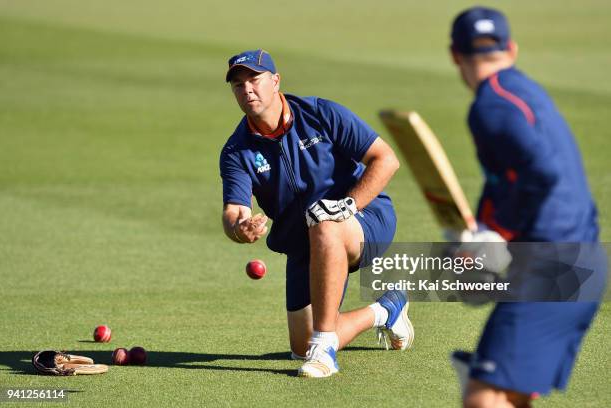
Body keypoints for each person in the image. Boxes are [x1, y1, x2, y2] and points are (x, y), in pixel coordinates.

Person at [447, 7, 607, 407]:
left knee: (483, 396)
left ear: (455, 55)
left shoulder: (490, 105)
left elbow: (543, 173)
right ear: (512, 49)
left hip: (552, 267)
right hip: (578, 265)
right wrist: (482, 234)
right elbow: (508, 178)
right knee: (508, 396)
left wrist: (496, 233)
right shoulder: (523, 90)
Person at [219, 49, 414, 378]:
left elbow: (386, 159)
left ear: (275, 81)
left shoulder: (320, 113)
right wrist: (240, 228)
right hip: (303, 243)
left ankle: (325, 350)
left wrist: (349, 205)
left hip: (366, 219)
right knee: (300, 347)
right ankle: (385, 309)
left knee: (324, 222)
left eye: (254, 79)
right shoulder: (237, 150)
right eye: (238, 85)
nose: (246, 89)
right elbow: (234, 211)